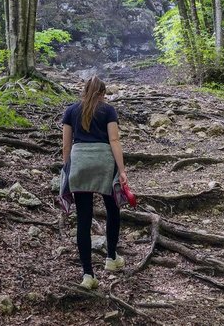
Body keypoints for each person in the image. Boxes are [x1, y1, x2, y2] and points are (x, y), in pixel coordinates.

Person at [61, 76, 129, 289]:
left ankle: (88, 275)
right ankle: (110, 258)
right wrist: (122, 169)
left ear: (84, 90)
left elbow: (66, 145)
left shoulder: (71, 111)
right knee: (112, 209)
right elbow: (114, 140)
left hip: (80, 162)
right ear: (102, 93)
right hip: (104, 163)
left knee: (83, 219)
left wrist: (67, 167)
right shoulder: (108, 110)